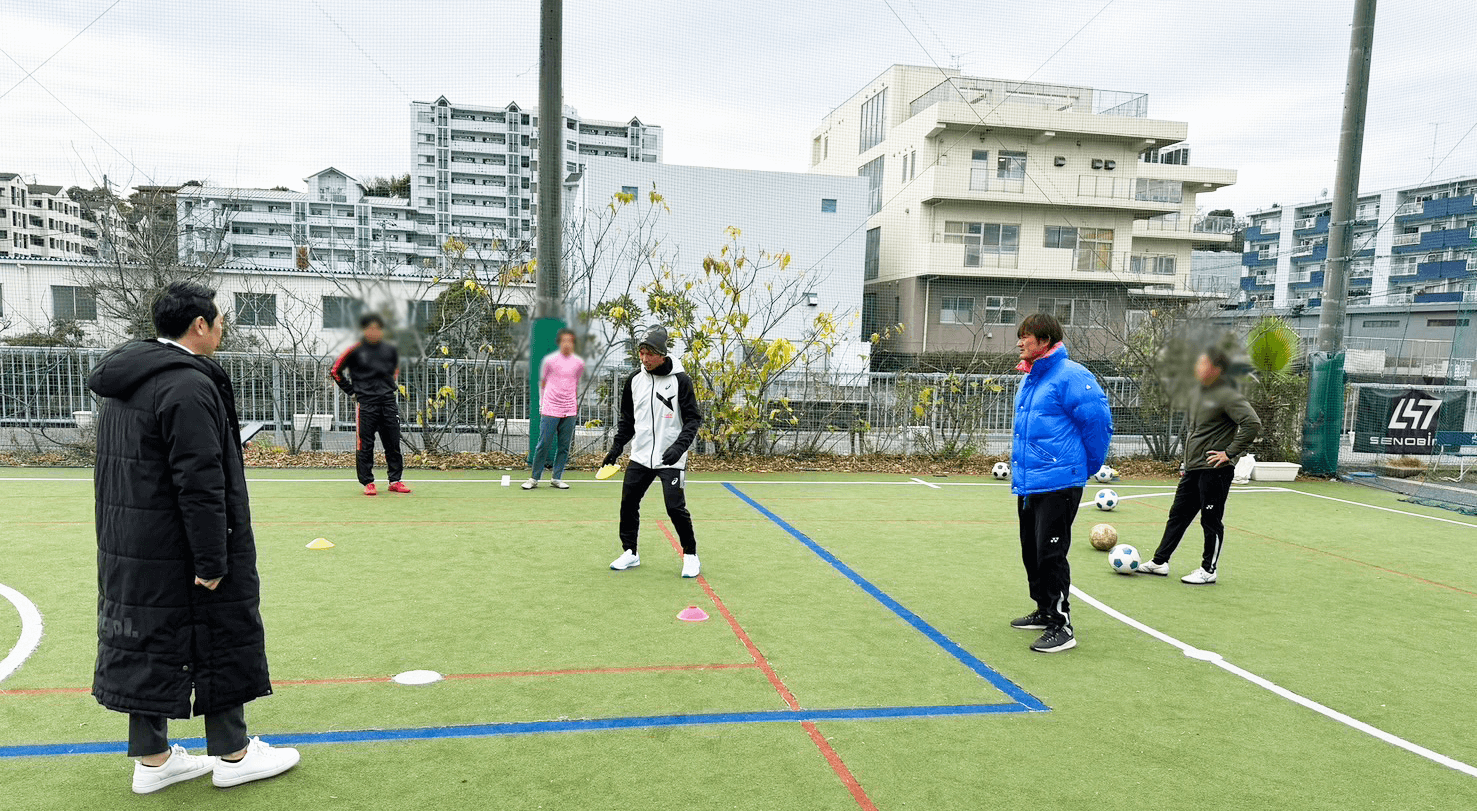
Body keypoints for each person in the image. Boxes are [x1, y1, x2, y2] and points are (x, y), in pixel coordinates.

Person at [88, 281, 299, 794]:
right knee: (218, 628)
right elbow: (201, 481)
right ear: (199, 325)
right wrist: (212, 558)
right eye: (219, 319)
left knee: (147, 638)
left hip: (132, 542)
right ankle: (234, 753)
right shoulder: (186, 385)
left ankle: (154, 760)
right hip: (180, 543)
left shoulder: (129, 378)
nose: (224, 327)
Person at [1009, 312, 1113, 654]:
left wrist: (1085, 467)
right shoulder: (1030, 379)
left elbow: (1098, 423)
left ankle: (1061, 625)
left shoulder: (1071, 376)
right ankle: (1043, 609)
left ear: (1045, 341)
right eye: (1021, 335)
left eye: (1027, 336)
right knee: (1032, 552)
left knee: (1051, 554)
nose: (1021, 341)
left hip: (1059, 481)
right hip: (1030, 483)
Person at [1141, 347, 1262, 584]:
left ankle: (1208, 570)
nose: (1196, 367)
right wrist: (1186, 462)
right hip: (1194, 469)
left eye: (1201, 363)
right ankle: (1159, 562)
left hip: (1215, 471)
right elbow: (1196, 433)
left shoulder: (1228, 394)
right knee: (1178, 515)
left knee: (1210, 519)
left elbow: (1252, 423)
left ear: (1216, 369)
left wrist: (1229, 453)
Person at [602, 326, 703, 578]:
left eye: (650, 353)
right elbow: (628, 421)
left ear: (662, 354)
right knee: (628, 502)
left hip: (671, 458)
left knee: (675, 508)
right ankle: (630, 552)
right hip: (640, 456)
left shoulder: (680, 380)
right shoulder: (634, 381)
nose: (644, 358)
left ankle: (690, 555)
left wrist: (679, 447)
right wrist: (616, 449)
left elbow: (693, 419)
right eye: (641, 353)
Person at [330, 313, 410, 496]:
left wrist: (385, 388)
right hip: (366, 405)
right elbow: (335, 371)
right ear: (364, 330)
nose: (374, 331)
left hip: (388, 403)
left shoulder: (390, 350)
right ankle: (368, 482)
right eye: (370, 328)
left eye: (378, 328)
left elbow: (394, 372)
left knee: (393, 443)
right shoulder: (354, 350)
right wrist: (352, 391)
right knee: (365, 444)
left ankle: (395, 480)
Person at [523, 328, 585, 490]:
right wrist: (542, 405)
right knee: (543, 444)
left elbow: (575, 383)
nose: (567, 344)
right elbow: (542, 383)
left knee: (564, 446)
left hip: (570, 410)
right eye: (564, 340)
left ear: (573, 344)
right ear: (559, 343)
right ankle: (534, 478)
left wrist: (572, 403)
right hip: (550, 408)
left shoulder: (578, 363)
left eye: (570, 341)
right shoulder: (549, 361)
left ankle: (557, 478)